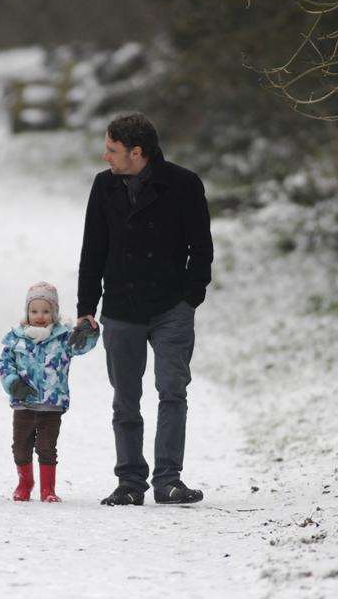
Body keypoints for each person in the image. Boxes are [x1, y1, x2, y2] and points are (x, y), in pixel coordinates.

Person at [77, 113, 213, 506]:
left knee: (172, 391)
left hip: (172, 307)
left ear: (137, 152)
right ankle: (130, 483)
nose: (105, 157)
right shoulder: (104, 187)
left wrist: (191, 297)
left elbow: (201, 249)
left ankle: (168, 480)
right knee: (125, 398)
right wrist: (87, 307)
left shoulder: (184, 185)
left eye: (112, 150)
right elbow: (93, 250)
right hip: (121, 308)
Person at [0, 282, 99, 502]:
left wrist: (90, 333)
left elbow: (81, 347)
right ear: (27, 312)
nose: (40, 316)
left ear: (54, 313)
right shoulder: (16, 338)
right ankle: (25, 483)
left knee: (47, 448)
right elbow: (5, 364)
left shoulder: (63, 339)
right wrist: (13, 383)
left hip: (51, 404)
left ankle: (48, 489)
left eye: (46, 311)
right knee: (20, 448)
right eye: (34, 311)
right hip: (23, 403)